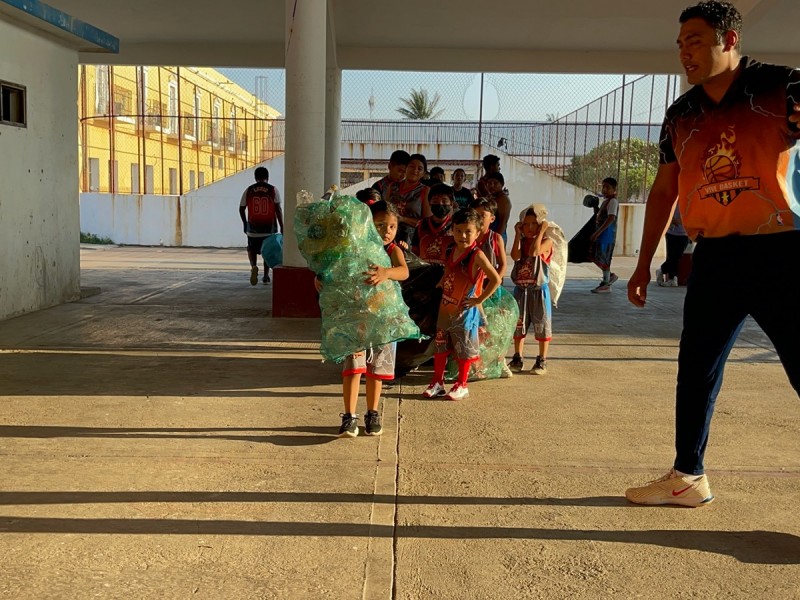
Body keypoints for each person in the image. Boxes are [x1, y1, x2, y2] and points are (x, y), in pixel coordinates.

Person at [625, 0, 800, 507]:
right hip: (716, 259)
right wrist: (641, 264)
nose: (684, 52)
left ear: (728, 40)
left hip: (783, 253)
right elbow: (663, 192)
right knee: (696, 367)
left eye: (694, 41)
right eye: (680, 44)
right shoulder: (680, 113)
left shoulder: (785, 85)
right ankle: (688, 476)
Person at [328, 201, 410, 438]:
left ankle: (372, 413)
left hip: (383, 320)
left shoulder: (392, 251)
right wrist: (322, 279)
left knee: (376, 370)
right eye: (380, 225)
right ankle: (349, 416)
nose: (386, 231)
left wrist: (386, 272)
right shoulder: (355, 248)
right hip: (356, 319)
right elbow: (337, 269)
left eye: (392, 226)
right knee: (353, 368)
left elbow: (403, 271)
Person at [422, 208, 502, 401]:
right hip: (446, 307)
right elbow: (449, 269)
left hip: (464, 311)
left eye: (468, 231)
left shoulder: (478, 255)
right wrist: (442, 281)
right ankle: (437, 382)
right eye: (458, 231)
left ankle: (462, 384)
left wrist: (479, 299)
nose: (462, 236)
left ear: (477, 232)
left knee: (463, 349)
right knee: (440, 344)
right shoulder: (450, 248)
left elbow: (496, 279)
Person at [508, 205, 554, 375]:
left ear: (541, 224)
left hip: (538, 291)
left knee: (542, 325)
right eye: (525, 224)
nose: (529, 228)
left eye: (534, 224)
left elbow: (535, 252)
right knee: (518, 325)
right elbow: (515, 256)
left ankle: (542, 359)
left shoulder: (547, 241)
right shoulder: (521, 241)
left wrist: (542, 232)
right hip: (521, 290)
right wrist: (517, 235)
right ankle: (517, 356)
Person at [239, 166, 283, 285]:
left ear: (255, 177)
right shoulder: (273, 190)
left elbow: (241, 208)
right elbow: (278, 209)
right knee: (267, 251)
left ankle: (253, 266)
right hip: (269, 229)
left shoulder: (249, 190)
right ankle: (265, 276)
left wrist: (245, 223)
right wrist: (282, 226)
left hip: (252, 229)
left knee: (251, 249)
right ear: (267, 177)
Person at [385, 153, 432, 246]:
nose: (415, 170)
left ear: (423, 173)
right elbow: (385, 211)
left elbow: (427, 223)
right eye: (412, 166)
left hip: (412, 242)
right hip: (390, 237)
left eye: (420, 169)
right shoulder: (393, 187)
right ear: (406, 168)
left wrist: (403, 219)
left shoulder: (425, 191)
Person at [589, 177, 620, 294]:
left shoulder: (613, 201)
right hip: (602, 234)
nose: (604, 189)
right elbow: (600, 214)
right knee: (598, 257)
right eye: (603, 187)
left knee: (604, 259)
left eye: (608, 187)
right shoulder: (606, 201)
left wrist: (598, 232)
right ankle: (609, 277)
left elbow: (611, 218)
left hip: (607, 235)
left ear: (614, 189)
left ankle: (606, 283)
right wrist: (595, 207)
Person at [412, 183, 454, 265]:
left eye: (444, 201)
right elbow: (415, 252)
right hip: (424, 272)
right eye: (435, 201)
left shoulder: (455, 225)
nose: (440, 204)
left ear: (451, 203)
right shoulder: (421, 225)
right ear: (429, 203)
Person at [469, 196, 508, 281]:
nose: (478, 219)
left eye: (482, 215)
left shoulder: (495, 238)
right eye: (475, 215)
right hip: (467, 283)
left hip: (487, 283)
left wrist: (495, 283)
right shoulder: (466, 236)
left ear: (492, 218)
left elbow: (503, 265)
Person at [656, 206, 689, 287]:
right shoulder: (672, 200)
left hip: (684, 233)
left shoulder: (688, 200)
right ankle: (672, 278)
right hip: (671, 232)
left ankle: (661, 270)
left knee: (677, 255)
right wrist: (671, 220)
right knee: (672, 256)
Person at [483, 172, 512, 242]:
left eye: (495, 183)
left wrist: (495, 239)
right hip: (489, 235)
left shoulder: (503, 199)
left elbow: (503, 222)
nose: (492, 186)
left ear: (501, 184)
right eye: (489, 183)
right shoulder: (490, 197)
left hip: (498, 236)